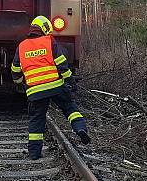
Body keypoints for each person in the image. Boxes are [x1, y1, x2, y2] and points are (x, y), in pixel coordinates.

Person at [11, 16, 90, 159]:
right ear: (45, 29)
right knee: (70, 108)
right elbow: (61, 63)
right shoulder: (49, 41)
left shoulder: (21, 46)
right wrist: (70, 80)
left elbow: (15, 69)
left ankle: (34, 153)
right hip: (56, 87)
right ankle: (80, 129)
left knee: (37, 120)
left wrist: (19, 84)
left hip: (35, 91)